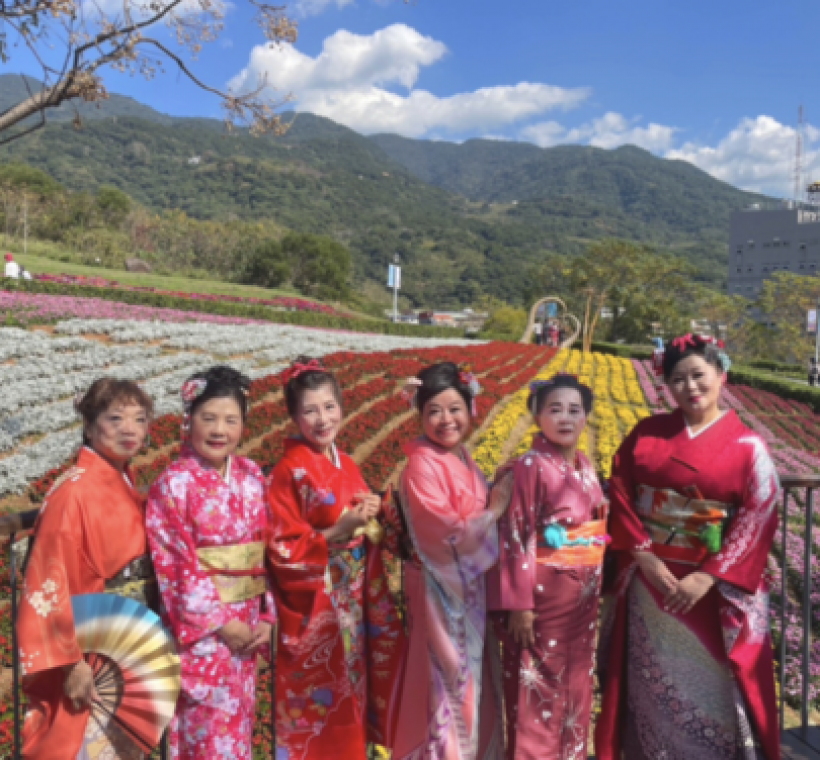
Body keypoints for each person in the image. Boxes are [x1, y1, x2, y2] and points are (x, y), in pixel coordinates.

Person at [595, 334, 781, 760]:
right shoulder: (647, 433)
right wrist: (643, 553)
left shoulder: (749, 447)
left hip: (712, 590)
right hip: (650, 581)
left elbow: (759, 513)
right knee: (650, 679)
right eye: (677, 379)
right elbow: (621, 489)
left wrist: (707, 575)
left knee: (712, 686)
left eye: (699, 375)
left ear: (721, 375)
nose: (689, 387)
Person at [265, 357, 404, 760]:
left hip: (353, 601)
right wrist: (336, 533)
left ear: (342, 407)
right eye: (309, 410)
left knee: (353, 687)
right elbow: (280, 548)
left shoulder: (346, 463)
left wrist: (373, 510)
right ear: (293, 417)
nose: (322, 419)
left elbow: (365, 524)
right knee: (322, 698)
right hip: (317, 601)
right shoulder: (288, 471)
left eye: (329, 407)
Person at [17, 378, 155, 760]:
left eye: (139, 419)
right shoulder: (73, 493)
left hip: (124, 641)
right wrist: (70, 663)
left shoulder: (121, 481)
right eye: (116, 418)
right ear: (90, 426)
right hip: (88, 649)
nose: (130, 429)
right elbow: (47, 583)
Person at [146, 366, 276, 760]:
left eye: (231, 420)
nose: (220, 429)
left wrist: (269, 616)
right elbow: (177, 563)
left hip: (249, 628)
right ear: (188, 422)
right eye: (209, 418)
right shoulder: (173, 485)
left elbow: (268, 550)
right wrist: (221, 621)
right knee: (205, 737)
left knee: (239, 734)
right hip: (205, 636)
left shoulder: (253, 477)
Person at [487, 373, 606, 760]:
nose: (565, 417)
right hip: (541, 599)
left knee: (575, 685)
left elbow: (595, 525)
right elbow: (516, 534)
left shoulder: (585, 466)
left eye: (575, 409)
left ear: (586, 417)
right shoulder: (530, 465)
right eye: (554, 409)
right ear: (537, 415)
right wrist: (519, 605)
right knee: (535, 687)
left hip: (581, 599)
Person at [393, 362, 507, 760]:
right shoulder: (422, 464)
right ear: (420, 415)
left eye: (455, 408)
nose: (446, 420)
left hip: (465, 591)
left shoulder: (461, 457)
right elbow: (444, 535)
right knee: (451, 685)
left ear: (471, 409)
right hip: (442, 591)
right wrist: (494, 511)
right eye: (434, 411)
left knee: (467, 683)